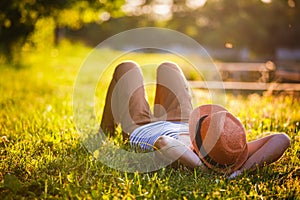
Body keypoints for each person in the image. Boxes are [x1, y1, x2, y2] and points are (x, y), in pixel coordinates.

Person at [100, 61, 291, 178]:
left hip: (141, 127)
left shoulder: (187, 158)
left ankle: (104, 131)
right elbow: (282, 138)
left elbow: (163, 141)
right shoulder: (229, 153)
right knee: (169, 67)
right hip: (181, 121)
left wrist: (202, 168)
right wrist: (239, 172)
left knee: (126, 68)